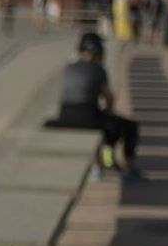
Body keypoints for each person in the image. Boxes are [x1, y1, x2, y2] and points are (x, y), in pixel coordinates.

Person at [46, 32, 144, 182]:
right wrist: (109, 110)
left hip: (64, 115)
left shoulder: (68, 67)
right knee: (129, 126)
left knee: (107, 125)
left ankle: (100, 165)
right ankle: (127, 168)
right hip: (88, 117)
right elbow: (109, 97)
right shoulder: (98, 69)